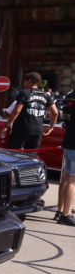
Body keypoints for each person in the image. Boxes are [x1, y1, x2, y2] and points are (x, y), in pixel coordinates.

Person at [6, 72, 58, 151]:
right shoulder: (46, 95)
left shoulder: (24, 92)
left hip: (21, 130)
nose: (23, 83)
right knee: (31, 156)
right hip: (38, 131)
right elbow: (55, 112)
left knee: (13, 154)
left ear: (29, 81)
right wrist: (50, 128)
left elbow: (17, 111)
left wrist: (6, 126)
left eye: (24, 81)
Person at [54, 88, 75, 226]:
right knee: (73, 180)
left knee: (67, 177)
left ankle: (61, 210)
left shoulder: (69, 96)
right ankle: (66, 214)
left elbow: (65, 119)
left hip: (68, 140)